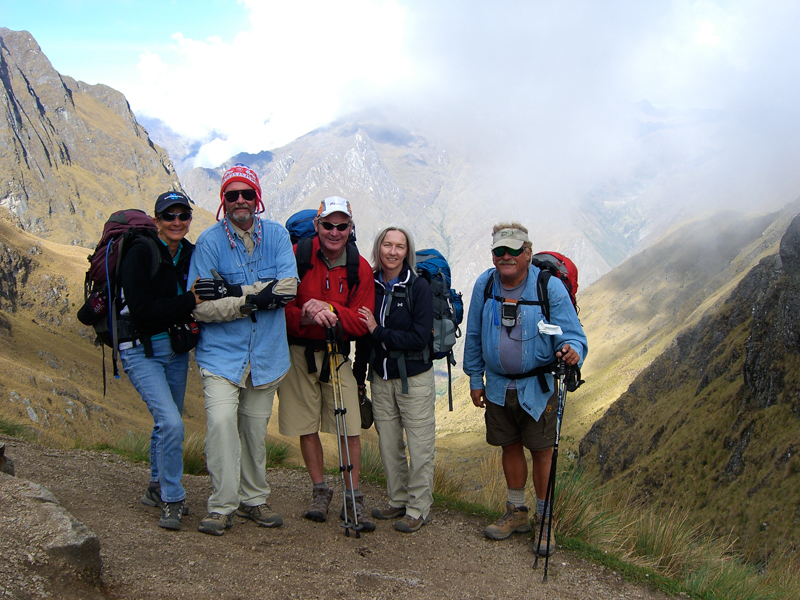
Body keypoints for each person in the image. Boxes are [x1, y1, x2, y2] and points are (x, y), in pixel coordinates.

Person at [463, 222, 587, 556]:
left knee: (542, 451)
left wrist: (573, 350)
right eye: (500, 251)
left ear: (528, 253)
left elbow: (573, 335)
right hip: (498, 386)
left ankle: (545, 522)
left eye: (514, 250)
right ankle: (517, 513)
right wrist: (476, 380)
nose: (507, 257)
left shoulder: (549, 288)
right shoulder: (484, 285)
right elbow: (473, 334)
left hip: (538, 387)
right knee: (510, 445)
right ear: (493, 254)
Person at [188, 164, 298, 536]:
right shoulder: (208, 243)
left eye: (246, 194)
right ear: (223, 200)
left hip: (266, 356)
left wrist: (232, 292)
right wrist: (252, 300)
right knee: (221, 424)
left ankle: (254, 499)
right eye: (231, 195)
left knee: (253, 429)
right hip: (221, 355)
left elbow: (287, 290)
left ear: (257, 198)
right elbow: (201, 306)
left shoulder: (279, 236)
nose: (239, 201)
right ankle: (221, 506)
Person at [278, 196, 376, 531]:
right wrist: (305, 314)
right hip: (298, 350)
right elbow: (280, 309)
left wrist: (330, 311)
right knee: (306, 423)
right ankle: (320, 489)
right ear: (317, 226)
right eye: (328, 225)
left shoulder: (358, 267)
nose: (335, 232)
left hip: (336, 355)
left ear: (351, 228)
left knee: (349, 426)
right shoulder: (296, 257)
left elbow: (363, 322)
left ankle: (353, 496)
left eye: (342, 225)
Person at [119, 191, 201, 531]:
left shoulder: (189, 253)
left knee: (165, 423)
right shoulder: (140, 253)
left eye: (183, 216)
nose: (177, 222)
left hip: (175, 350)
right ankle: (173, 498)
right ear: (157, 221)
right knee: (172, 424)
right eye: (170, 216)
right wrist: (188, 301)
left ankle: (155, 485)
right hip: (139, 350)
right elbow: (141, 311)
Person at [353, 226, 435, 533]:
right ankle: (398, 499)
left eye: (399, 246)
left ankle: (418, 507)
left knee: (420, 444)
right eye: (387, 245)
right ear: (378, 248)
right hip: (380, 377)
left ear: (407, 252)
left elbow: (418, 338)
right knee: (389, 444)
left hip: (414, 378)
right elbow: (363, 337)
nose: (392, 251)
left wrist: (378, 332)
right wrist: (359, 377)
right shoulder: (369, 284)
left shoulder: (418, 287)